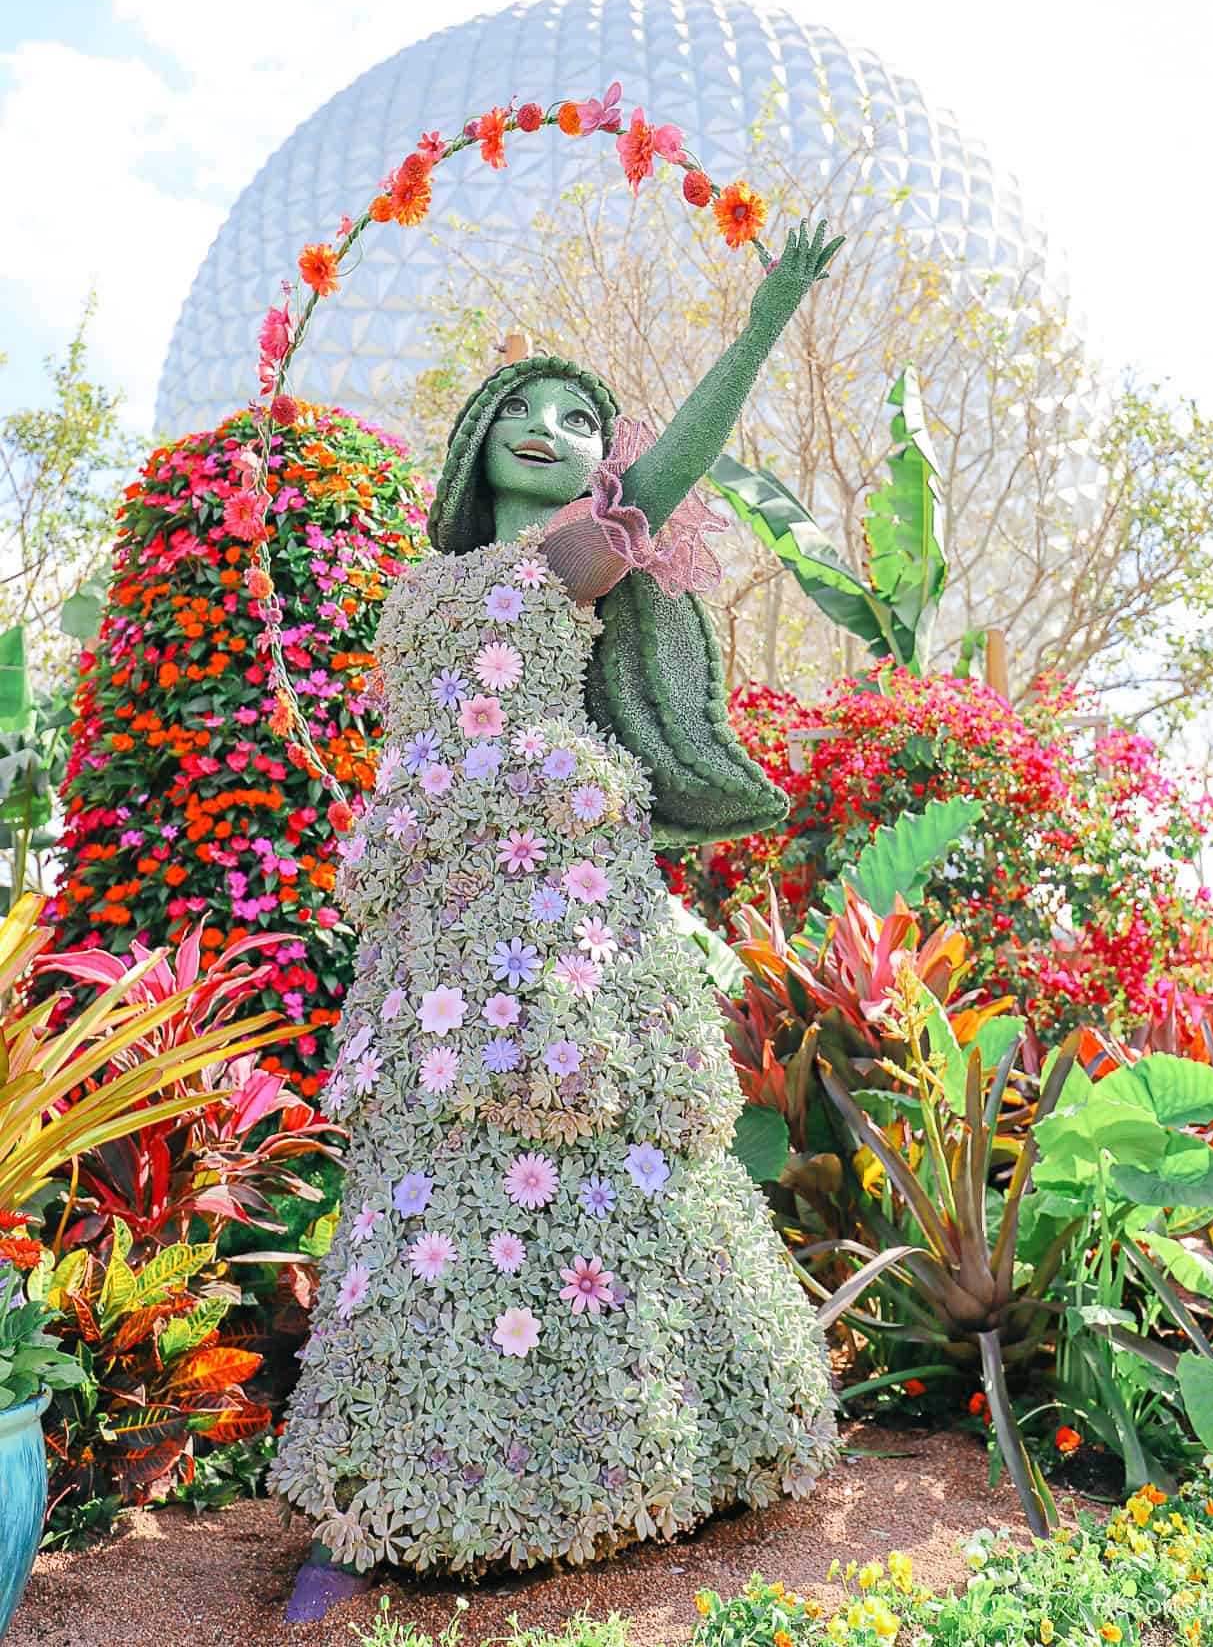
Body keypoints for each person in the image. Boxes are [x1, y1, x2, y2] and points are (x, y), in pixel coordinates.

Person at [274, 222, 845, 1619]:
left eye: (576, 414)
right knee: (433, 1145)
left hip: (550, 880)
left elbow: (680, 460)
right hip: (434, 882)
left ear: (602, 460)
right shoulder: (419, 582)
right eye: (519, 411)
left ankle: (622, 1456)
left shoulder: (588, 547)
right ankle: (406, 1474)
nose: (547, 427)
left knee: (576, 1125)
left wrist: (769, 312)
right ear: (474, 443)